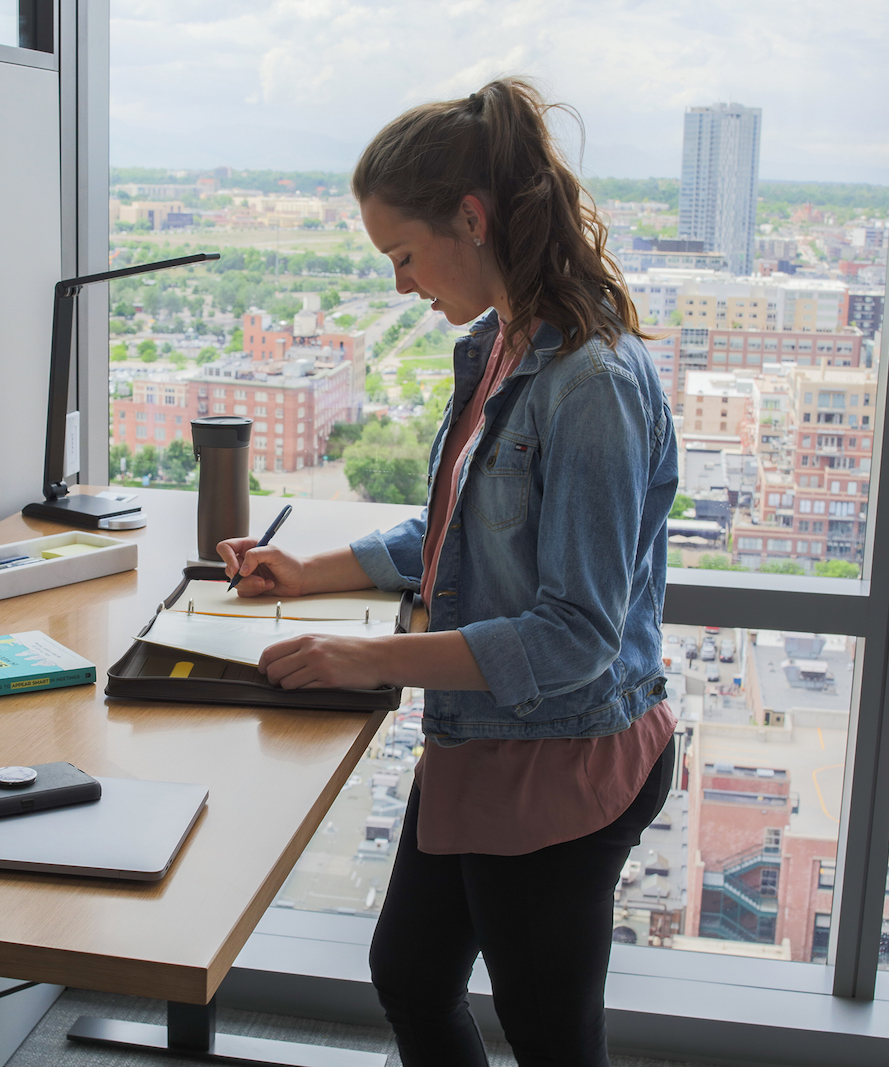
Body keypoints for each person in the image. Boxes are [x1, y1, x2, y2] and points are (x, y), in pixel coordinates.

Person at [217, 77, 678, 1067]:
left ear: (469, 219)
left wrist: (367, 660)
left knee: (551, 1036)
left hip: (558, 756)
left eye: (403, 255)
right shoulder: (499, 345)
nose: (399, 286)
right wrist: (305, 569)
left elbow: (574, 639)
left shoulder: (590, 386)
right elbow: (456, 532)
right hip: (485, 739)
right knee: (413, 974)